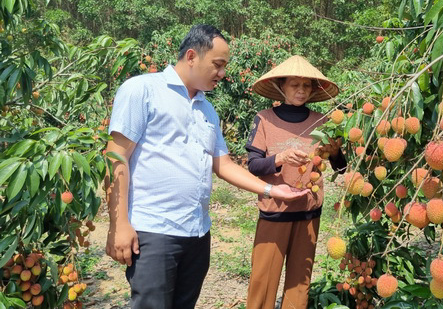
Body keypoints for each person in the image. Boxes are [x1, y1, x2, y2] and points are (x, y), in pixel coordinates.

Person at [104, 24, 310, 309]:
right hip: (154, 231)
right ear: (191, 56)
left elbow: (223, 164)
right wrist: (119, 224)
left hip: (197, 233)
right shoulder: (142, 91)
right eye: (218, 64)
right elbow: (116, 158)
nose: (223, 74)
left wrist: (272, 190)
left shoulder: (207, 110)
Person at [245, 55, 347, 309]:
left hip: (308, 212)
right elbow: (254, 165)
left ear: (313, 90)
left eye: (306, 86)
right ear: (282, 87)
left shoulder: (322, 121)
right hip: (274, 211)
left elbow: (341, 167)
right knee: (263, 281)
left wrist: (334, 151)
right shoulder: (265, 119)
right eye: (294, 85)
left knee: (299, 285)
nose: (301, 91)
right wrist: (280, 158)